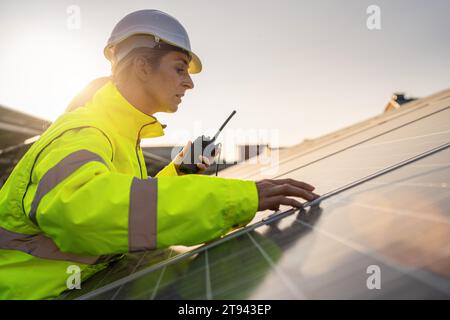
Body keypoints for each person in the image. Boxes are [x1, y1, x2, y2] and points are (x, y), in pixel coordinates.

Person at [0, 9, 319, 299]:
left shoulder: (118, 135)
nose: (189, 83)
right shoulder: (83, 131)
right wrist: (235, 199)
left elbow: (127, 205)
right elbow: (84, 211)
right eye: (180, 68)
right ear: (141, 66)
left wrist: (179, 171)